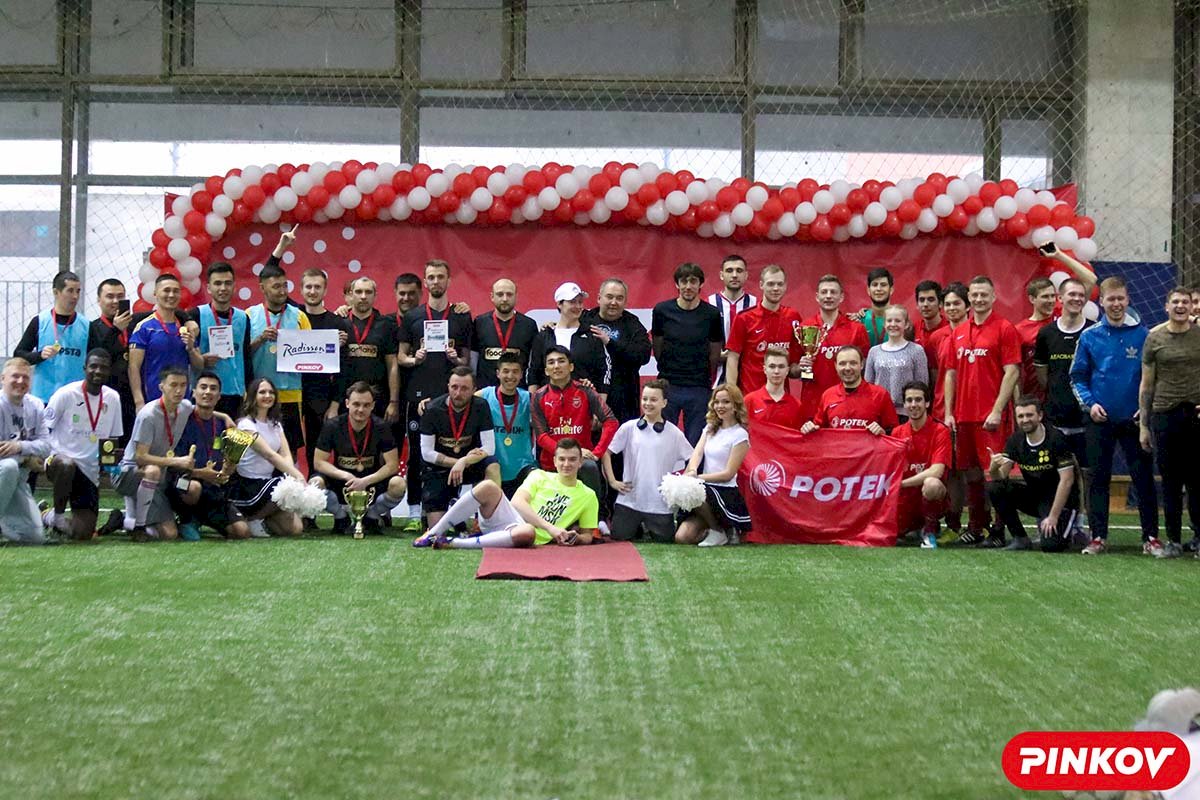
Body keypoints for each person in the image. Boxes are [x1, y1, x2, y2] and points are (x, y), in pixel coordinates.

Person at [1069, 276, 1159, 555]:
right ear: (1101, 302)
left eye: (1121, 298)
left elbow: (1155, 378)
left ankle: (1151, 538)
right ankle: (1098, 537)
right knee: (1098, 479)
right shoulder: (1089, 336)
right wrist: (1090, 404)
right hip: (1099, 420)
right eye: (1111, 299)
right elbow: (1077, 377)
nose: (1116, 304)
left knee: (1143, 479)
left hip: (1135, 420)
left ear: (1128, 300)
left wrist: (1145, 408)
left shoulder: (1144, 335)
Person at [943, 275, 1021, 546]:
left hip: (991, 417)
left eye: (983, 295)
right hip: (963, 417)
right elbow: (951, 374)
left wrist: (997, 410)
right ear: (969, 299)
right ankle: (977, 527)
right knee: (971, 474)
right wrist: (949, 412)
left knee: (996, 472)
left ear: (993, 297)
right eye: (974, 295)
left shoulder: (1004, 328)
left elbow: (1012, 372)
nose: (978, 299)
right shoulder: (959, 331)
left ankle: (999, 530)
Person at [413, 438, 598, 549]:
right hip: (508, 517)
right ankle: (432, 533)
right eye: (562, 459)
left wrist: (575, 538)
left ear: (580, 462)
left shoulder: (588, 496)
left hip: (524, 535)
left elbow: (588, 536)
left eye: (572, 459)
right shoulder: (539, 475)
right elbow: (517, 503)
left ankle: (453, 542)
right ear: (555, 461)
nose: (567, 464)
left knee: (528, 531)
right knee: (489, 486)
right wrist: (550, 528)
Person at [397, 259, 473, 511]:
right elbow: (401, 357)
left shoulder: (461, 316)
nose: (436, 281)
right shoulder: (412, 316)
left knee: (452, 451)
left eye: (440, 276)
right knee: (417, 453)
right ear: (425, 282)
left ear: (448, 280)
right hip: (418, 396)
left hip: (452, 397)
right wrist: (414, 358)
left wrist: (455, 359)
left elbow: (466, 360)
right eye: (431, 277)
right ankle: (414, 509)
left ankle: (451, 507)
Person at [1138, 287, 1200, 558]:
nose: (1180, 306)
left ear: (1192, 307)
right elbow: (1146, 384)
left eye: (1185, 302)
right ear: (1166, 306)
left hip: (1195, 415)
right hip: (1164, 415)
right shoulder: (1154, 338)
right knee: (1171, 482)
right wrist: (1144, 425)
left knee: (1197, 481)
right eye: (1175, 302)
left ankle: (1198, 539)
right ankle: (1173, 541)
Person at [42, 349, 124, 541]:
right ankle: (58, 518)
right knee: (66, 465)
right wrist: (41, 458)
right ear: (84, 368)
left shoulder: (113, 398)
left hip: (89, 472)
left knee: (83, 533)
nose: (98, 371)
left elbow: (111, 440)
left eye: (103, 367)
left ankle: (45, 515)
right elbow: (44, 430)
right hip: (59, 463)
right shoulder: (66, 394)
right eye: (93, 366)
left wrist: (111, 461)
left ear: (109, 370)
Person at [602, 380, 693, 543]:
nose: (647, 403)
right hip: (629, 501)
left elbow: (692, 459)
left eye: (653, 399)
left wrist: (682, 483)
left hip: (660, 505)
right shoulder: (629, 427)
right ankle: (639, 528)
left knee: (665, 541)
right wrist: (613, 481)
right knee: (619, 537)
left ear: (664, 403)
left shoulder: (674, 433)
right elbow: (606, 452)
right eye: (645, 399)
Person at [986, 396, 1080, 552]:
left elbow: (1067, 481)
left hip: (1061, 500)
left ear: (1040, 415)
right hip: (1035, 496)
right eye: (1021, 416)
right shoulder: (1015, 440)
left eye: (1029, 415)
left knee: (1051, 546)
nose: (1025, 420)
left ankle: (1068, 530)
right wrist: (993, 468)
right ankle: (1020, 538)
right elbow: (1000, 477)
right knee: (995, 487)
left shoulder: (1056, 439)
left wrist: (1053, 517)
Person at [312, 381, 407, 535]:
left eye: (366, 405)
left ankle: (372, 517)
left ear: (373, 406)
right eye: (356, 404)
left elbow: (392, 465)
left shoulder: (382, 427)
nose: (361, 409)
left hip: (372, 483)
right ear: (347, 404)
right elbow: (319, 462)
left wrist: (365, 481)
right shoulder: (332, 426)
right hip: (342, 483)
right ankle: (340, 517)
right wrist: (346, 475)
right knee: (315, 483)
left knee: (398, 484)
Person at [112, 367, 195, 541]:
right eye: (173, 385)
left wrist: (224, 417)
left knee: (170, 534)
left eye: (183, 385)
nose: (179, 390)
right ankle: (139, 527)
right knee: (152, 470)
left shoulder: (185, 407)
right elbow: (140, 457)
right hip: (129, 472)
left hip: (156, 477)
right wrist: (176, 461)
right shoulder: (148, 415)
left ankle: (124, 521)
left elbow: (200, 410)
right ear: (161, 387)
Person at [247, 231, 311, 456]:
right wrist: (260, 339)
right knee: (259, 448)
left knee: (289, 450)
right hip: (259, 393)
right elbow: (242, 355)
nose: (282, 291)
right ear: (262, 288)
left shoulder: (299, 316)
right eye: (276, 287)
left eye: (285, 286)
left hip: (290, 393)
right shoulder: (249, 316)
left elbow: (311, 355)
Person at [530, 346, 618, 504]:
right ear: (546, 371)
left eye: (561, 361)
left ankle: (597, 513)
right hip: (552, 464)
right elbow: (541, 437)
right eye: (551, 362)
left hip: (582, 463)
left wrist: (597, 453)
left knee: (590, 467)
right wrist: (567, 453)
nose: (556, 366)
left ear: (571, 367)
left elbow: (611, 421)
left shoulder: (586, 391)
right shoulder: (538, 397)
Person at [166, 371, 248, 541]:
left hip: (212, 488)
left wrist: (227, 470)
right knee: (193, 488)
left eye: (213, 388)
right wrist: (201, 473)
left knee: (241, 532)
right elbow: (172, 466)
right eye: (203, 387)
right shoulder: (181, 420)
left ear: (219, 396)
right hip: (182, 482)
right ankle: (187, 519)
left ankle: (202, 518)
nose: (208, 392)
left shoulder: (223, 425)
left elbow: (228, 466)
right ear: (194, 392)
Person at [1033, 278, 1093, 499]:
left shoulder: (1093, 331)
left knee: (1088, 473)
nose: (1077, 299)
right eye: (1072, 294)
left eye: (1081, 295)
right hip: (1056, 417)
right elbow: (1043, 376)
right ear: (1060, 298)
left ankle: (1087, 518)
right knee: (1057, 473)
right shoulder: (1046, 333)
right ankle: (1060, 516)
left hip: (1087, 418)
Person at [651, 262, 724, 443]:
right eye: (684, 281)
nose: (688, 286)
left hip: (699, 386)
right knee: (663, 439)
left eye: (693, 281)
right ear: (677, 284)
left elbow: (715, 352)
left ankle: (693, 465)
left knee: (696, 440)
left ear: (701, 284)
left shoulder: (712, 314)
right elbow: (658, 346)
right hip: (668, 384)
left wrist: (703, 374)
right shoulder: (662, 310)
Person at [420, 366, 500, 529]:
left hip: (471, 465)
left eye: (464, 388)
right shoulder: (432, 409)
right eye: (454, 387)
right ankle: (453, 509)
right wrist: (456, 463)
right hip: (440, 468)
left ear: (474, 390)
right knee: (436, 530)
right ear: (448, 386)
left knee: (492, 465)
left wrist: (464, 461)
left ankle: (487, 522)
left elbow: (489, 447)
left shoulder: (481, 406)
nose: (458, 393)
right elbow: (427, 453)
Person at [673, 384, 752, 547]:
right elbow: (696, 454)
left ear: (735, 406)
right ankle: (714, 526)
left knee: (694, 491)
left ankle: (719, 530)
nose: (720, 406)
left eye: (726, 402)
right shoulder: (710, 428)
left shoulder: (740, 434)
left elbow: (728, 474)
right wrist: (691, 471)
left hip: (725, 491)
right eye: (717, 402)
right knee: (682, 537)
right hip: (705, 489)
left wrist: (697, 478)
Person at [229, 377, 307, 538]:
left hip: (268, 483)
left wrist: (291, 478)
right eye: (262, 392)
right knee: (287, 489)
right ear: (253, 396)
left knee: (295, 528)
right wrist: (297, 476)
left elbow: (286, 454)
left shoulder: (275, 424)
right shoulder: (245, 425)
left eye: (271, 392)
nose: (267, 396)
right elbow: (269, 454)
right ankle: (252, 519)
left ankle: (265, 518)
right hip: (248, 485)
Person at [798, 274, 871, 423]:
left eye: (833, 292)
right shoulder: (805, 328)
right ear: (817, 296)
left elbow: (866, 369)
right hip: (812, 404)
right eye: (824, 292)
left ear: (841, 297)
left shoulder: (856, 329)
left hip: (847, 407)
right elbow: (792, 369)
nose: (828, 296)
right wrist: (801, 367)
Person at [299, 267, 351, 476]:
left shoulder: (337, 323)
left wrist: (335, 404)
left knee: (318, 445)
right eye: (308, 287)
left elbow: (343, 369)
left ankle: (319, 487)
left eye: (317, 287)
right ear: (301, 290)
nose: (312, 291)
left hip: (321, 393)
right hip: (292, 389)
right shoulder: (293, 318)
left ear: (325, 290)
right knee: (289, 443)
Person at [580, 278, 652, 423]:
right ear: (599, 298)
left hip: (624, 397)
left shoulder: (633, 324)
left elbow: (643, 356)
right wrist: (551, 326)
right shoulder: (585, 319)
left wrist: (610, 342)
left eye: (619, 298)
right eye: (609, 297)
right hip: (589, 393)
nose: (614, 302)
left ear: (625, 302)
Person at [724, 264, 803, 395]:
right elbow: (733, 358)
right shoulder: (744, 318)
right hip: (750, 395)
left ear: (785, 286)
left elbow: (794, 364)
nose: (775, 288)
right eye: (771, 284)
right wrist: (733, 395)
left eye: (780, 284)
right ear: (761, 285)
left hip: (781, 397)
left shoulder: (793, 317)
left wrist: (804, 368)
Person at [891, 382, 951, 549]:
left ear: (927, 403)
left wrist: (901, 484)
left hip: (931, 496)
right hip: (905, 500)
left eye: (918, 400)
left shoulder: (940, 430)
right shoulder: (897, 433)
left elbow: (937, 471)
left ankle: (929, 532)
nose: (913, 404)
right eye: (909, 400)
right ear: (904, 405)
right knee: (887, 535)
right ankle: (913, 528)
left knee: (932, 484)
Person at [15, 270, 89, 403]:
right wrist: (40, 355)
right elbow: (19, 354)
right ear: (56, 292)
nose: (75, 296)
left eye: (78, 291)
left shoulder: (86, 325)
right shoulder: (40, 321)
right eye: (70, 291)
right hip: (44, 397)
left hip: (75, 398)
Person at [189, 263, 252, 417]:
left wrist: (250, 391)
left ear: (234, 287)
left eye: (227, 283)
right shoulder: (196, 315)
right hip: (206, 393)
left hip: (235, 393)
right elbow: (187, 352)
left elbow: (246, 357)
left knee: (233, 433)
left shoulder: (243, 318)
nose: (223, 288)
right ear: (209, 288)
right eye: (217, 283)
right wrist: (201, 359)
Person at [527, 281, 611, 398]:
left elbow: (603, 373)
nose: (578, 306)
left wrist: (600, 406)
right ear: (559, 304)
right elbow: (534, 373)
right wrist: (533, 403)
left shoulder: (592, 335)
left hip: (582, 403)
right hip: (549, 403)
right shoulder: (544, 336)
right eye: (572, 302)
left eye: (580, 302)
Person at [0, 358, 51, 545]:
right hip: (6, 472)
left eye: (25, 377)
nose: (20, 381)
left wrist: (20, 447)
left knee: (35, 537)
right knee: (9, 466)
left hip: (18, 480)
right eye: (15, 376)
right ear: (3, 379)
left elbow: (46, 445)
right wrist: (26, 459)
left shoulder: (36, 405)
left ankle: (3, 524)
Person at [129, 273, 198, 410]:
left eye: (175, 291)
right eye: (166, 290)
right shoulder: (144, 327)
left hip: (183, 402)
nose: (171, 295)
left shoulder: (186, 327)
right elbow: (133, 367)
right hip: (153, 401)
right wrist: (138, 401)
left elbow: (199, 365)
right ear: (155, 293)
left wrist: (191, 348)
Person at [802, 346, 898, 434]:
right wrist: (809, 429)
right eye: (842, 363)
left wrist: (882, 433)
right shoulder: (828, 395)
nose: (847, 368)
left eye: (853, 363)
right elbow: (818, 431)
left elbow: (895, 434)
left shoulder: (880, 394)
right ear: (835, 366)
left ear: (862, 365)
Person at [342, 277, 400, 423]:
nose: (363, 296)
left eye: (368, 292)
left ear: (375, 296)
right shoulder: (339, 323)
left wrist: (393, 402)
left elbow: (392, 365)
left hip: (378, 399)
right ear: (351, 294)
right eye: (359, 292)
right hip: (346, 398)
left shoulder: (386, 325)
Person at [479, 353, 537, 497]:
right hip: (493, 465)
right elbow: (460, 399)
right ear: (498, 373)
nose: (510, 376)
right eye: (506, 371)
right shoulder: (485, 395)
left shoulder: (528, 398)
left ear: (521, 375)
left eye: (515, 371)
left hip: (522, 465)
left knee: (537, 480)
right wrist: (430, 404)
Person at [87, 278, 136, 442]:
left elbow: (163, 311)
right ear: (99, 300)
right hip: (104, 396)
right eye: (110, 296)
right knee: (106, 442)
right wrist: (115, 330)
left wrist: (187, 319)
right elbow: (98, 356)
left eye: (120, 296)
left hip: (132, 396)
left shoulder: (135, 324)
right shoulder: (92, 328)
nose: (115, 301)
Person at [865, 305, 928, 422]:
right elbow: (868, 386)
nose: (893, 324)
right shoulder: (874, 352)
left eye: (898, 321)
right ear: (884, 324)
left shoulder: (916, 351)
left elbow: (922, 385)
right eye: (889, 320)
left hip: (907, 413)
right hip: (880, 413)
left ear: (906, 324)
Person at [473, 278, 537, 390]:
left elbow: (535, 364)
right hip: (485, 392)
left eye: (509, 294)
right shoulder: (479, 323)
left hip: (519, 392)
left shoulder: (529, 325)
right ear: (492, 296)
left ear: (516, 297)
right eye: (500, 294)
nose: (505, 299)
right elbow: (472, 360)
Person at [708, 254, 757, 386]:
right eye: (729, 271)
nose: (734, 275)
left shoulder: (755, 304)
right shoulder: (709, 304)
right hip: (715, 379)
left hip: (748, 378)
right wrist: (715, 355)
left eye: (739, 271)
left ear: (746, 275)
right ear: (721, 275)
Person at [925, 282, 969, 423]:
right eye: (947, 304)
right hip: (942, 409)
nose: (951, 308)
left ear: (968, 306)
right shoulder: (936, 337)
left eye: (956, 303)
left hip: (970, 406)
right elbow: (935, 374)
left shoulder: (978, 335)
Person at [1013, 277, 1057, 398]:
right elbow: (1014, 371)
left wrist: (1062, 259)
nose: (1051, 300)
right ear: (1032, 299)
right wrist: (1018, 402)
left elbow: (1090, 281)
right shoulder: (1019, 330)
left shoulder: (1061, 322)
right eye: (1045, 296)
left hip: (1060, 395)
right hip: (1033, 397)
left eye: (1053, 296)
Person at [743, 348, 805, 432]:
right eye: (772, 366)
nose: (776, 371)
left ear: (787, 371)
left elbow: (799, 436)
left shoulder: (796, 405)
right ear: (765, 369)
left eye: (781, 366)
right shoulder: (750, 401)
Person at [857, 267, 895, 347]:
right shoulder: (860, 319)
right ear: (868, 290)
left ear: (891, 290)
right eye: (875, 285)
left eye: (883, 285)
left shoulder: (900, 320)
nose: (878, 289)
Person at [912, 280, 947, 356]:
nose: (925, 304)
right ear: (917, 305)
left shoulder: (950, 328)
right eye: (922, 300)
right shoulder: (913, 329)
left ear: (940, 304)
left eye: (931, 300)